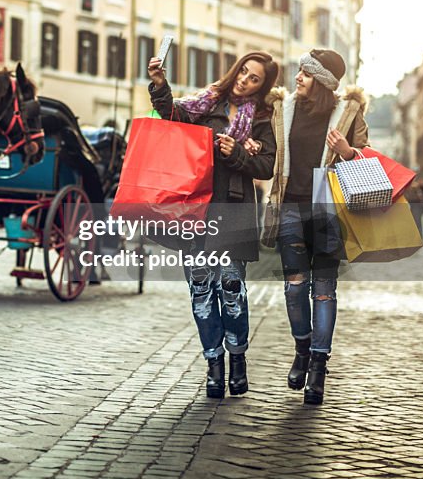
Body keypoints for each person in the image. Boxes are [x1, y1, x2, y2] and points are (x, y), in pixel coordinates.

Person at [148, 51, 278, 400]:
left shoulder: (263, 118)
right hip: (195, 210)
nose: (244, 81)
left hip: (234, 211)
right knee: (202, 294)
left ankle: (237, 360)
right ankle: (213, 365)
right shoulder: (207, 103)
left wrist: (236, 152)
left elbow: (266, 166)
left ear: (262, 86)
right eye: (244, 73)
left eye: (254, 79)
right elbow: (172, 115)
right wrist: (160, 86)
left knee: (233, 291)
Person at [262, 49, 368, 405]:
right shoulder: (284, 109)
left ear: (321, 80)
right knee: (294, 289)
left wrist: (349, 151)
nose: (297, 78)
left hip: (328, 213)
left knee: (324, 291)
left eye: (305, 73)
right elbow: (268, 151)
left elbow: (369, 160)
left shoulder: (348, 113)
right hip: (290, 208)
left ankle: (319, 367)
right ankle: (302, 350)